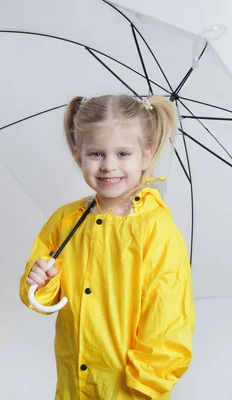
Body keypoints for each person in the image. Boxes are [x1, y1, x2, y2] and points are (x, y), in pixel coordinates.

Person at [19, 94, 195, 400]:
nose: (109, 166)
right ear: (78, 156)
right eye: (96, 154)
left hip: (127, 391)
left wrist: (144, 385)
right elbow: (41, 297)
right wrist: (40, 281)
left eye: (124, 153)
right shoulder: (66, 220)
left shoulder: (155, 229)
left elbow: (168, 319)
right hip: (73, 387)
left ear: (146, 156)